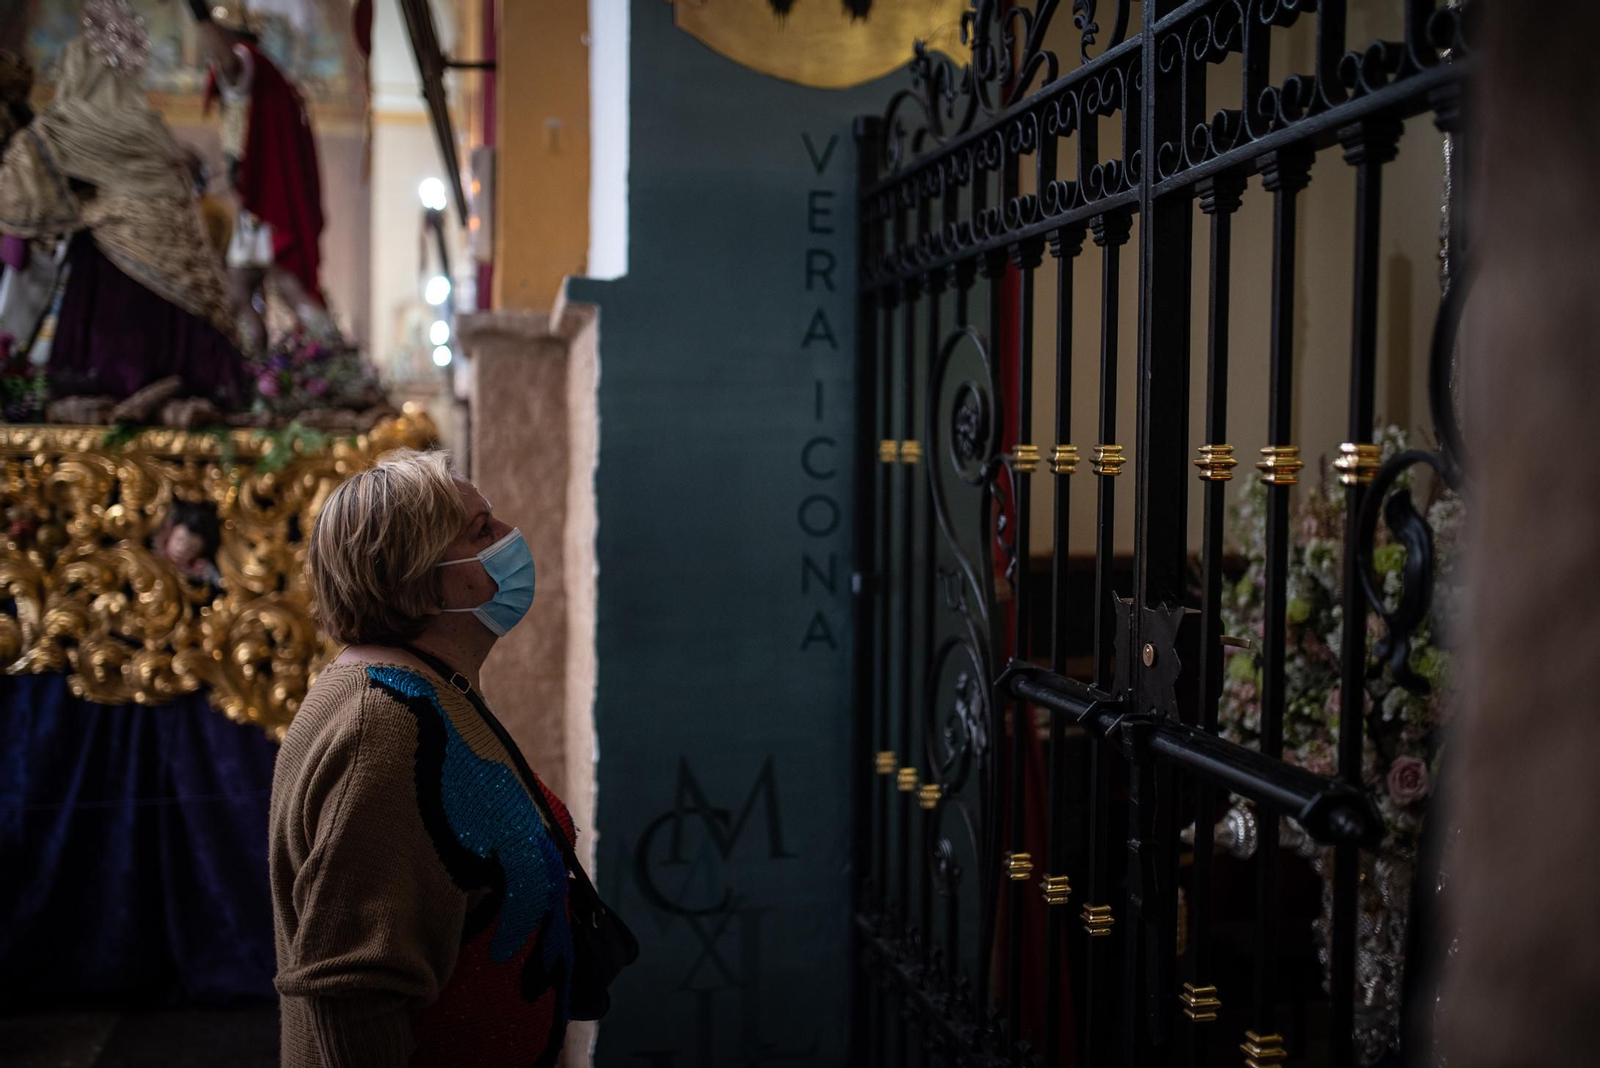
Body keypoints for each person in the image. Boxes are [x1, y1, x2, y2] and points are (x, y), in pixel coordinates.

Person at [274, 449, 571, 1067]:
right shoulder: (379, 727)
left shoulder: (428, 685)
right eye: (482, 531)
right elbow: (353, 1000)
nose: (511, 539)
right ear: (415, 582)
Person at [0, 36, 243, 406]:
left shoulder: (60, 127)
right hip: (181, 275)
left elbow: (24, 199)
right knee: (183, 358)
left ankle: (121, 401)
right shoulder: (148, 126)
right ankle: (182, 394)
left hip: (108, 273)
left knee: (103, 373)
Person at [191, 3, 328, 350]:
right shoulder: (267, 76)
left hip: (268, 202)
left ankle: (336, 359)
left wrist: (196, 9)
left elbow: (227, 61)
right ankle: (255, 370)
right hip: (255, 204)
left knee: (289, 287)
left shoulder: (246, 62)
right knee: (238, 293)